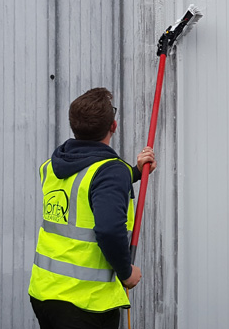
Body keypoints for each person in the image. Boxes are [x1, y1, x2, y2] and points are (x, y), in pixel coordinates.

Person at [28, 87, 156, 329]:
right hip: (85, 303)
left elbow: (87, 183)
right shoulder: (111, 171)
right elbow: (108, 229)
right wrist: (126, 272)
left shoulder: (52, 166)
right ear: (113, 126)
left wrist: (135, 172)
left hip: (45, 293)